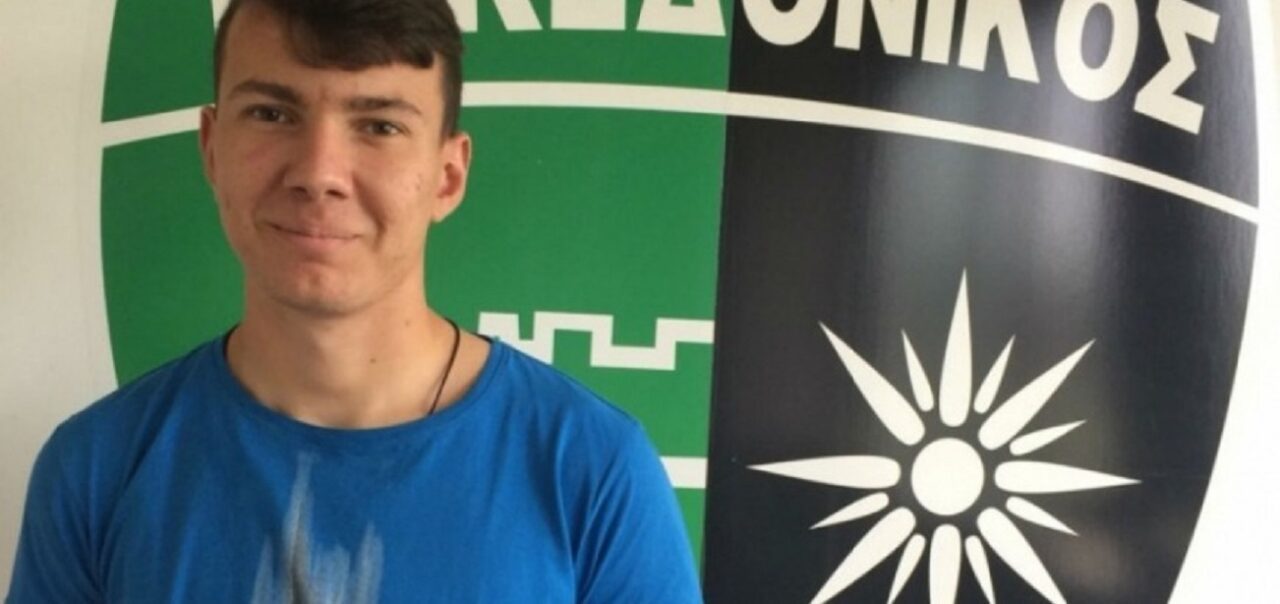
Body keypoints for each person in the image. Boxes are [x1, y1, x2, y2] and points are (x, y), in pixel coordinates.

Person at [6, 0, 701, 601]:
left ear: (448, 175)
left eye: (378, 125)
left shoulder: (591, 470)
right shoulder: (96, 467)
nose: (319, 173)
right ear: (213, 148)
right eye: (272, 113)